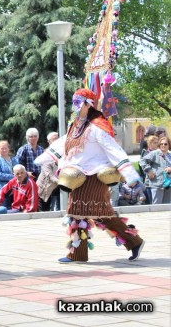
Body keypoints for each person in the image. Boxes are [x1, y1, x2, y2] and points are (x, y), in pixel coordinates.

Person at [36, 88, 145, 263]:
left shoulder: (97, 126)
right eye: (74, 102)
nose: (75, 106)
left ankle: (130, 243)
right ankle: (129, 243)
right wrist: (46, 157)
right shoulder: (76, 124)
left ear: (88, 104)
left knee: (89, 212)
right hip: (78, 177)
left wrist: (129, 174)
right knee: (90, 213)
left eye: (78, 102)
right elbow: (64, 142)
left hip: (94, 177)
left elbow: (113, 150)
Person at [139, 136, 171, 204]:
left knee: (166, 207)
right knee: (157, 207)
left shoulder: (170, 155)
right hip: (157, 184)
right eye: (161, 144)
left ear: (169, 145)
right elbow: (142, 161)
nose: (163, 145)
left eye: (165, 144)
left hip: (169, 185)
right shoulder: (155, 153)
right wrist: (149, 171)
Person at [36, 132, 60, 211]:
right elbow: (49, 174)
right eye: (54, 139)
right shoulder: (46, 154)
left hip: (58, 186)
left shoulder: (63, 152)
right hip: (45, 187)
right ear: (49, 142)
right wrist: (61, 181)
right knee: (44, 211)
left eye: (57, 138)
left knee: (60, 209)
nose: (57, 140)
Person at [0, 140, 18, 209]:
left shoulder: (13, 159)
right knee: (5, 209)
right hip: (2, 188)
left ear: (8, 149)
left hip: (14, 188)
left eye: (6, 148)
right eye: (2, 148)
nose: (4, 150)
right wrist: (13, 177)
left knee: (14, 208)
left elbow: (18, 170)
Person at [139, 135, 160, 204]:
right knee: (151, 202)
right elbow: (143, 164)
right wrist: (149, 171)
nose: (157, 144)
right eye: (154, 143)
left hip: (159, 181)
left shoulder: (159, 153)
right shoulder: (146, 153)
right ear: (149, 144)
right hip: (150, 181)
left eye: (157, 142)